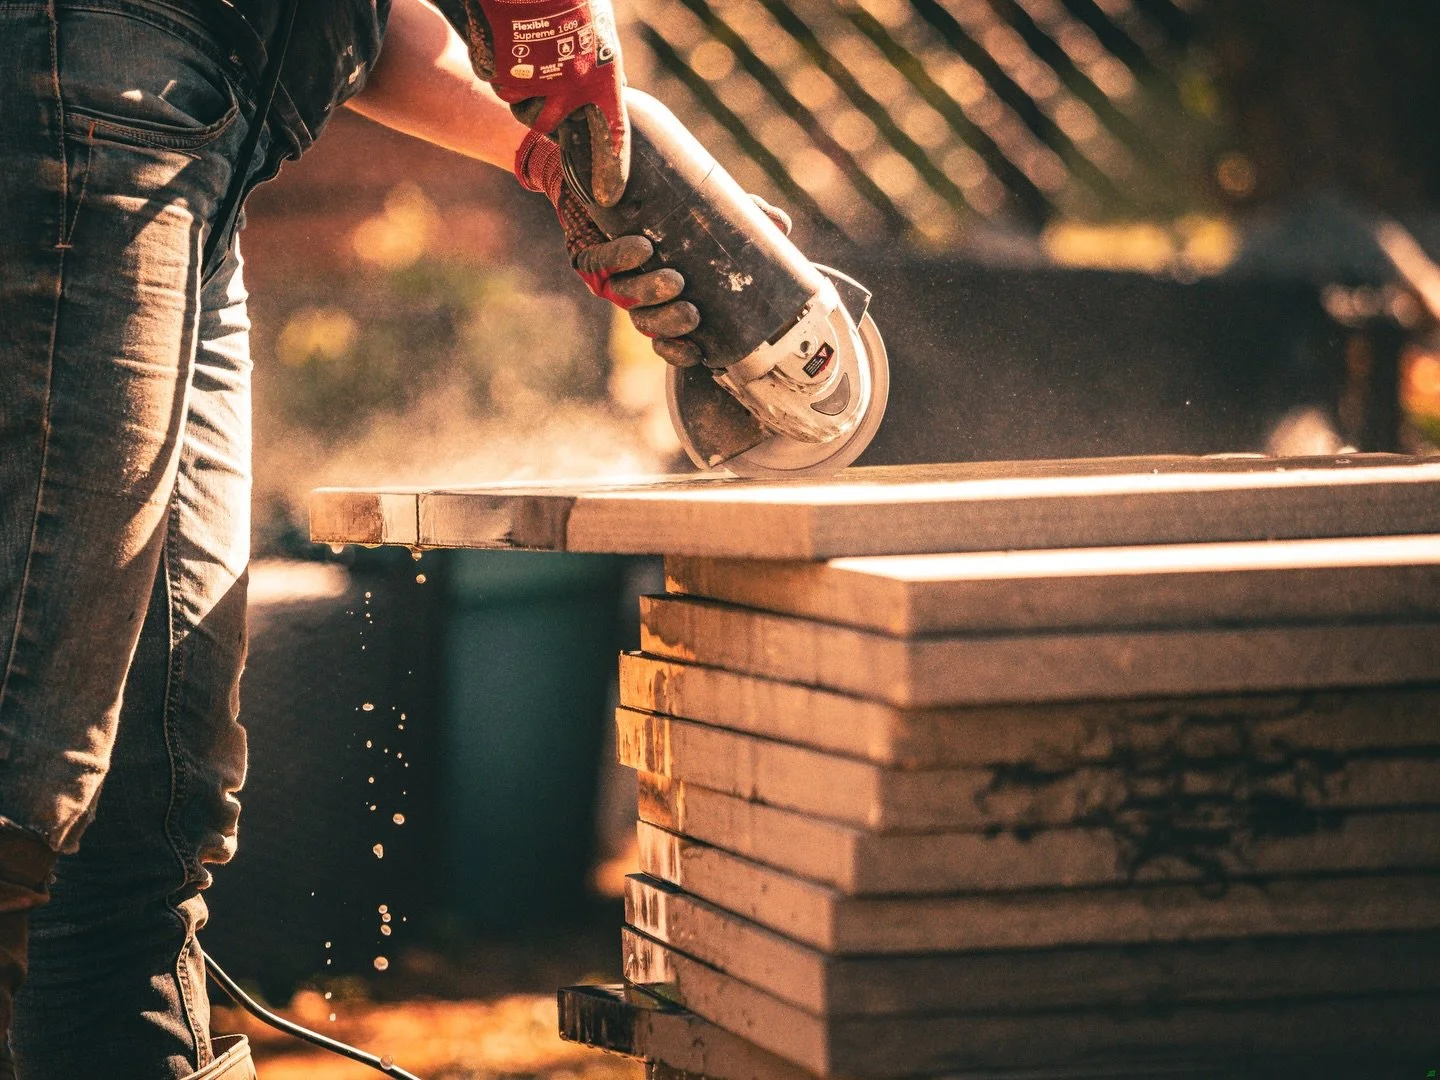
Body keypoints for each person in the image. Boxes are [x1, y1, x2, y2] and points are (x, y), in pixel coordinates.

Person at [0, 0, 712, 1076]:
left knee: (147, 815)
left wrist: (544, 152)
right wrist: (566, 52)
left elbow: (367, 27)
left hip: (205, 158)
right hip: (92, 94)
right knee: (21, 767)